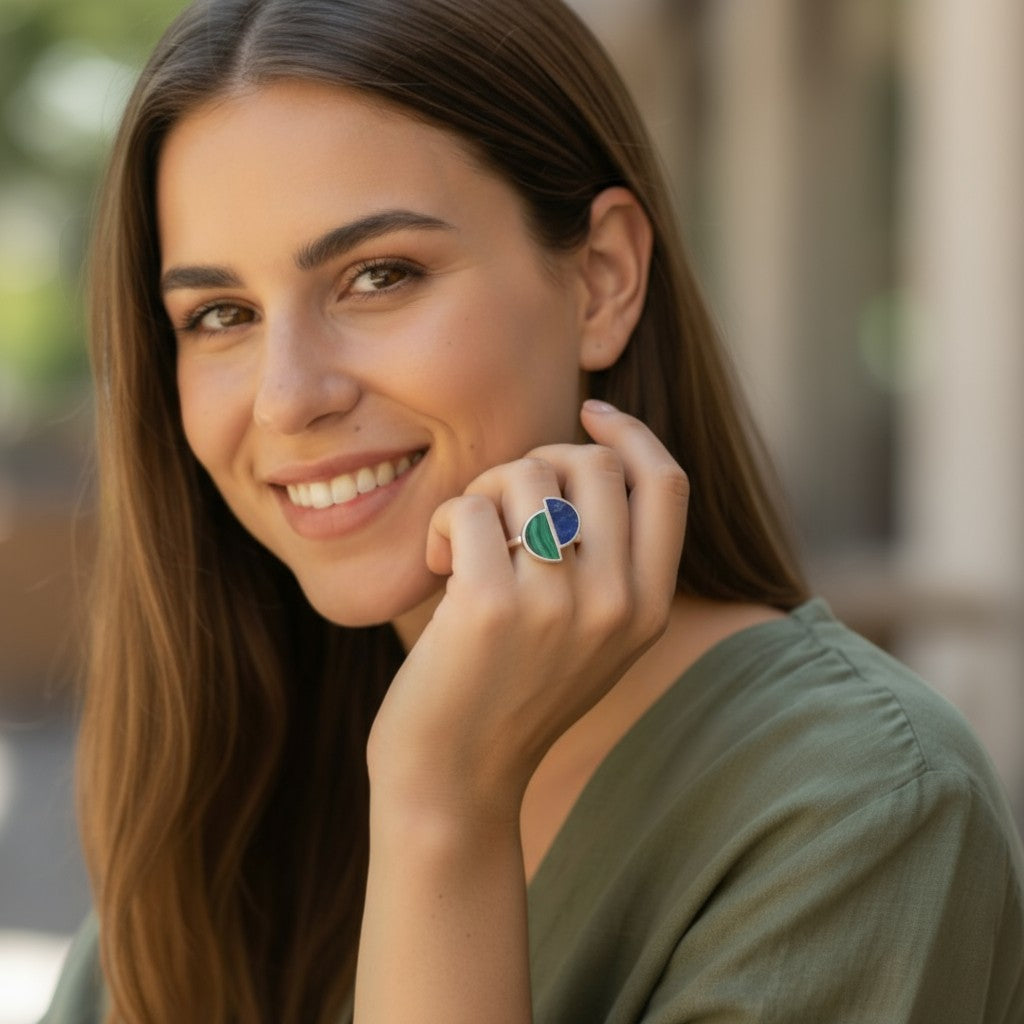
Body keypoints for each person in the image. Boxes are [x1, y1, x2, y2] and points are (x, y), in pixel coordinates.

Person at [41, 0, 1024, 1021]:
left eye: (379, 276)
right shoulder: (235, 790)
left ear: (601, 278)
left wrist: (442, 805)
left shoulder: (858, 805)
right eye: (221, 315)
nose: (288, 397)